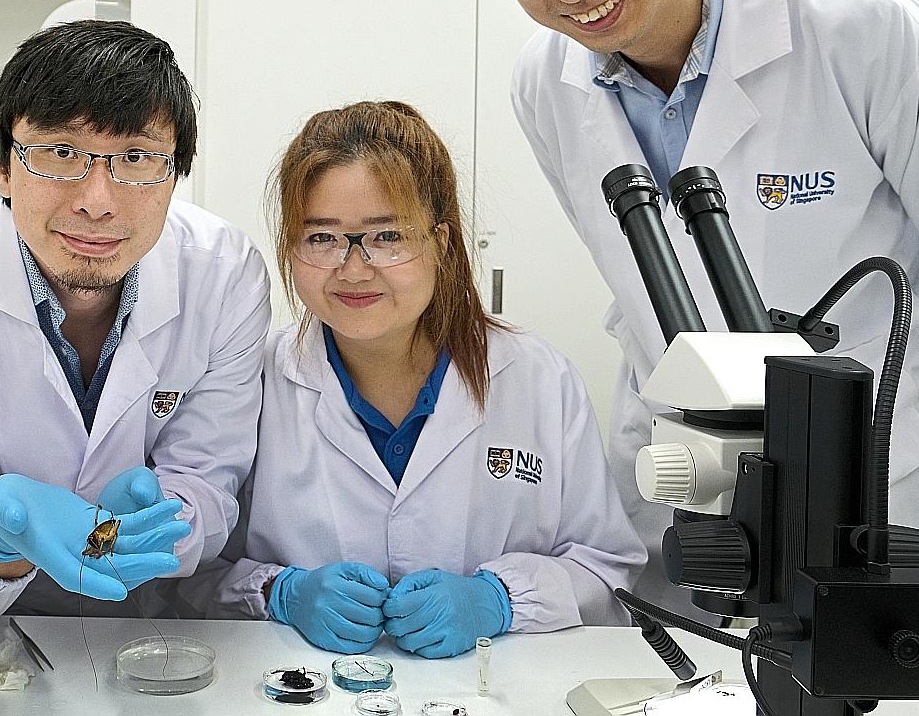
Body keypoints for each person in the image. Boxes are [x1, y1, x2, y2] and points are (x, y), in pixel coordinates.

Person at [464, 0, 919, 610]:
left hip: (862, 479)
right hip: (673, 464)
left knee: (838, 690)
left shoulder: (865, 34)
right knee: (671, 687)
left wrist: (876, 405)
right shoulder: (543, 81)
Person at [0, 19, 271, 637]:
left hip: (154, 637)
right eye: (60, 154)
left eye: (135, 158)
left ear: (175, 174)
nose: (97, 199)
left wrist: (166, 518)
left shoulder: (226, 278)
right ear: (2, 167)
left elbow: (208, 488)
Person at [193, 101, 643, 655]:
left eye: (386, 236)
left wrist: (499, 601)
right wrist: (278, 592)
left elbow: (608, 569)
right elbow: (185, 573)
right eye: (321, 238)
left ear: (443, 244)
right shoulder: (251, 381)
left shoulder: (538, 378)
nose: (353, 268)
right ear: (290, 247)